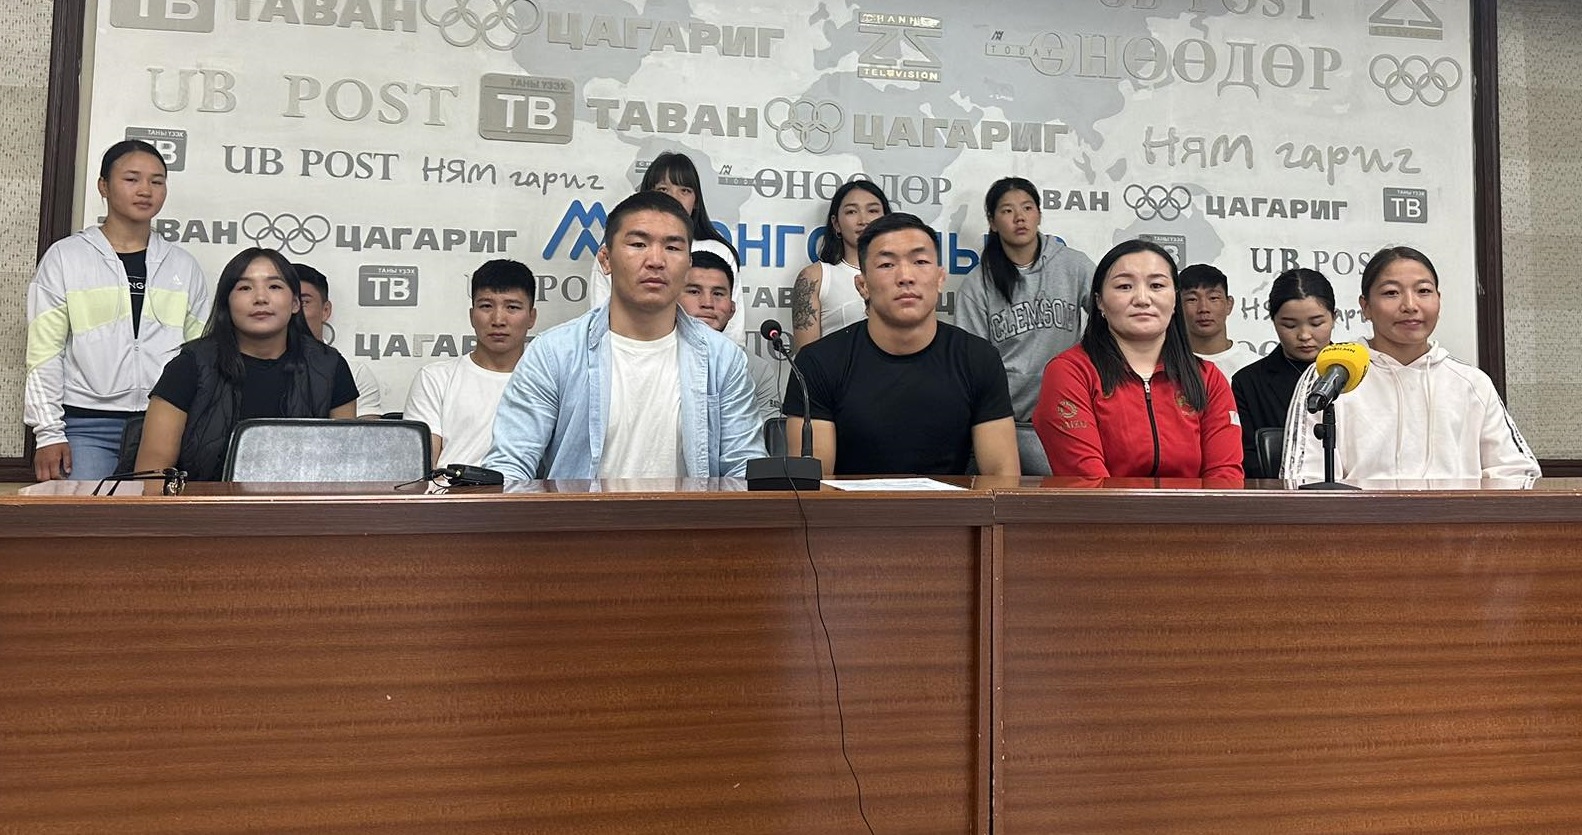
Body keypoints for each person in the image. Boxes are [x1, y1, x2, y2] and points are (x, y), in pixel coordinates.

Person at [484, 191, 764, 480]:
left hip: (688, 512)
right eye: (638, 244)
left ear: (688, 266)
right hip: (580, 511)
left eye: (672, 247)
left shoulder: (723, 359)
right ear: (606, 260)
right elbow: (510, 464)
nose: (656, 260)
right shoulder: (554, 352)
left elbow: (744, 470)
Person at [25, 140, 209, 481]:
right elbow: (44, 353)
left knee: (154, 514)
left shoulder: (183, 266)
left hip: (164, 422)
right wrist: (48, 433)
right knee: (86, 514)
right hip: (87, 426)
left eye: (157, 181)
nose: (145, 190)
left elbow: (201, 355)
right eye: (131, 179)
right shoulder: (66, 258)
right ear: (103, 186)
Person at [783, 212, 1019, 477]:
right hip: (847, 505)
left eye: (920, 262)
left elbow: (1002, 477)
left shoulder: (979, 359)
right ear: (862, 285)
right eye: (887, 264)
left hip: (951, 504)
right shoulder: (818, 363)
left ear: (940, 278)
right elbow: (814, 485)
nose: (906, 276)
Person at [1282, 246, 1540, 482]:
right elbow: (1303, 479)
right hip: (1362, 518)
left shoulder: (1471, 383)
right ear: (1365, 306)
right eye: (1391, 293)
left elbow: (1517, 473)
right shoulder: (1331, 376)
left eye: (1423, 291)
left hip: (1456, 518)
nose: (1410, 305)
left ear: (1439, 300)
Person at [136, 248, 359, 481]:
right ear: (227, 303)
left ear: (295, 303)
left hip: (302, 504)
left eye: (274, 286)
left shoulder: (329, 366)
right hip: (203, 502)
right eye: (244, 288)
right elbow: (151, 474)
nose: (260, 298)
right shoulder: (189, 365)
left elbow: (345, 468)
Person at [1033, 239, 1242, 479]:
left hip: (1194, 505)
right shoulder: (1070, 372)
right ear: (1099, 301)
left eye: (1156, 285)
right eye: (1124, 286)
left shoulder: (1208, 378)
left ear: (1175, 300)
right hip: (1099, 504)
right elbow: (1087, 482)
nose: (1142, 299)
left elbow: (1225, 478)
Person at [957, 176, 1094, 476]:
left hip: (1068, 417)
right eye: (1007, 211)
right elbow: (971, 364)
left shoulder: (1074, 265)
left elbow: (1111, 313)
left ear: (1039, 215)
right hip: (1007, 423)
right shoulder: (977, 285)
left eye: (1027, 208)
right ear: (992, 222)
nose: (1019, 217)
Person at [590, 152, 745, 344]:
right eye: (663, 190)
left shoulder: (719, 252)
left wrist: (727, 357)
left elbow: (734, 331)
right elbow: (600, 315)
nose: (674, 198)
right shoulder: (616, 249)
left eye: (684, 191)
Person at [404, 260, 538, 469]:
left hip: (521, 488)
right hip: (448, 488)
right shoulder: (435, 378)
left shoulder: (547, 382)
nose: (498, 320)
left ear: (531, 317)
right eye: (486, 306)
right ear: (471, 315)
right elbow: (420, 467)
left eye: (512, 307)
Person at [1231, 268, 1336, 478]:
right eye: (1289, 325)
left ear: (1334, 318)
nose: (1304, 335)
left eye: (1316, 323)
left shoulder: (1358, 374)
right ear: (1273, 321)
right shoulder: (1248, 383)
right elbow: (1246, 459)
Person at [680, 250, 783, 424]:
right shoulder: (653, 357)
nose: (707, 303)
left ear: (732, 309)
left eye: (718, 294)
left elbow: (768, 434)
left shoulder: (755, 369)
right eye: (694, 291)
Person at [791, 180, 892, 350]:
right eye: (851, 211)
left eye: (873, 211)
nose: (863, 220)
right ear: (836, 223)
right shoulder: (815, 277)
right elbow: (805, 358)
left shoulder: (904, 275)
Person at [293, 262, 384, 418]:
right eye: (285, 302)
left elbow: (365, 432)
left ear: (325, 310)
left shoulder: (354, 372)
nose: (294, 311)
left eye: (304, 303)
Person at [1179, 263, 1260, 380]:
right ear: (1177, 307)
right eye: (1192, 299)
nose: (1203, 308)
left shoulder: (1254, 366)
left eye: (1213, 298)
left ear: (1229, 304)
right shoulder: (1165, 366)